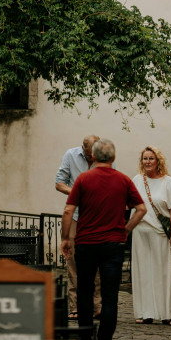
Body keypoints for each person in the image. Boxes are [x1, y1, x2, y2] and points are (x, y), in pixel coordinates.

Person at [61, 138, 146, 340]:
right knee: (110, 297)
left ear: (94, 157)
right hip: (112, 245)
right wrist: (125, 231)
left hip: (86, 243)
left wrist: (65, 239)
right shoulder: (123, 180)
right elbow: (141, 208)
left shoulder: (83, 179)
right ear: (114, 158)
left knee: (84, 293)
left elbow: (68, 211)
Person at [131, 145, 171, 326]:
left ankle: (166, 314)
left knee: (162, 272)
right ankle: (146, 313)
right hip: (140, 232)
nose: (148, 162)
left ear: (158, 161)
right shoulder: (137, 180)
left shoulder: (168, 181)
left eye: (151, 158)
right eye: (145, 158)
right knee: (143, 272)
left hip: (160, 233)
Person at [55, 134, 102, 319]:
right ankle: (75, 307)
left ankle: (97, 307)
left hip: (97, 217)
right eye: (91, 155)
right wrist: (78, 191)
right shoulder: (71, 155)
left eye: (96, 155)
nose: (94, 158)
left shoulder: (104, 157)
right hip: (75, 216)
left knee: (96, 263)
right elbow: (59, 183)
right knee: (73, 262)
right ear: (84, 150)